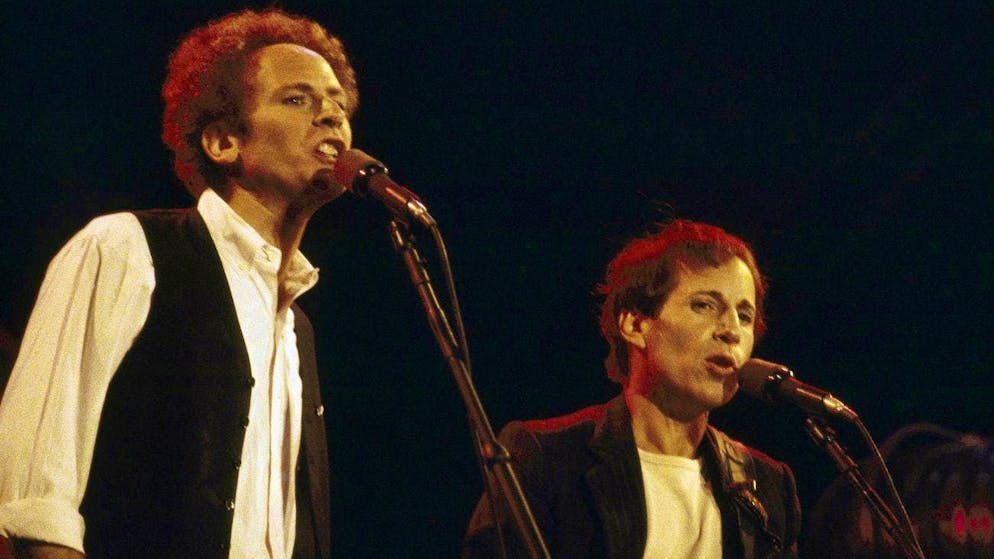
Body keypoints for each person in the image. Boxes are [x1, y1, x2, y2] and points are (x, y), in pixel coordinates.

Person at [0, 8, 358, 558]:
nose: (331, 116)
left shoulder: (296, 329)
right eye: (297, 99)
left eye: (337, 103)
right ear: (223, 142)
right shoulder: (126, 249)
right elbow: (34, 504)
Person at [462, 220, 802, 558]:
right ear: (635, 324)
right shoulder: (548, 459)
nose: (732, 330)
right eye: (704, 305)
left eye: (744, 316)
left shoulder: (766, 485)